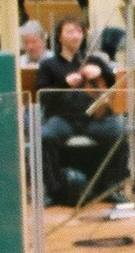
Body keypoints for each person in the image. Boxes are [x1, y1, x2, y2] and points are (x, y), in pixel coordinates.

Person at [36, 16, 122, 205]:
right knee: (45, 137)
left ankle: (110, 187)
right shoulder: (48, 65)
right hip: (62, 118)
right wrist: (64, 83)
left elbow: (113, 82)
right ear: (60, 37)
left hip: (93, 118)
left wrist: (101, 73)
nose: (75, 35)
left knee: (120, 134)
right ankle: (53, 191)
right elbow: (42, 95)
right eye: (70, 31)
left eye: (79, 31)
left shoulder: (94, 60)